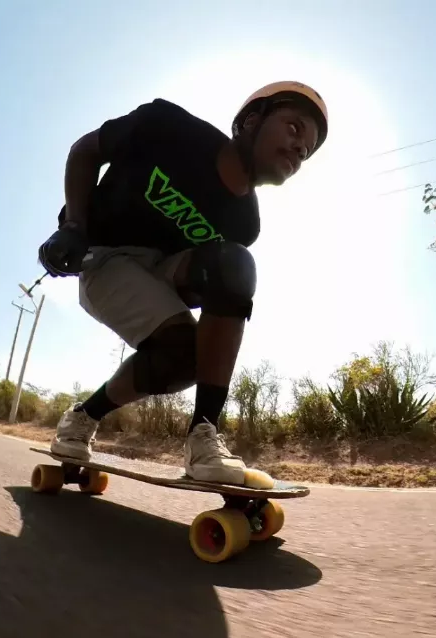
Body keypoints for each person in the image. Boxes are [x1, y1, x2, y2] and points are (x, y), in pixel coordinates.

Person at [38, 81, 329, 489]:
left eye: (308, 150)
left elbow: (213, 288)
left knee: (230, 273)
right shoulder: (168, 127)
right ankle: (80, 422)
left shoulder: (245, 223)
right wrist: (73, 227)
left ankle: (202, 436)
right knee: (185, 343)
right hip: (104, 257)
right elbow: (84, 151)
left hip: (160, 269)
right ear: (251, 121)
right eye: (295, 128)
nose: (300, 150)